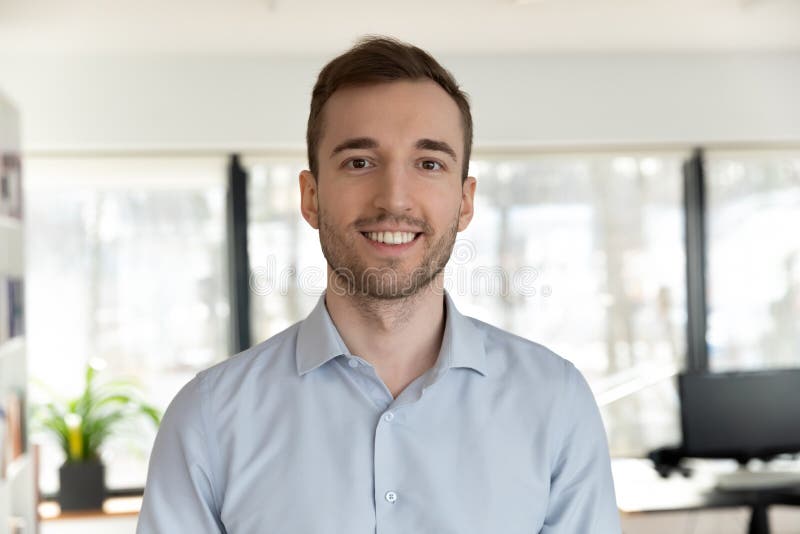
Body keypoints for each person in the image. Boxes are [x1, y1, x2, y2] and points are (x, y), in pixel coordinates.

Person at [137, 36, 621, 533]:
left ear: (465, 201)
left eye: (429, 163)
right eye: (359, 162)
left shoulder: (555, 402)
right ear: (310, 197)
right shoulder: (209, 419)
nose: (394, 199)